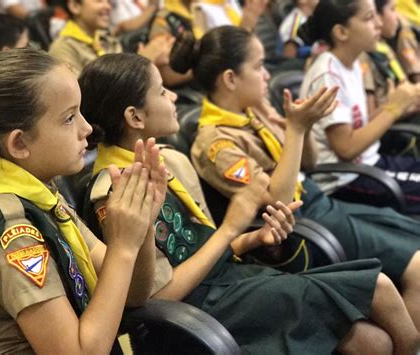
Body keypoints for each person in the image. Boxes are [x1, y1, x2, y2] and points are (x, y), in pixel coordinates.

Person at [78, 52, 419, 354]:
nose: (175, 96)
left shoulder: (170, 160)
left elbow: (203, 247)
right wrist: (231, 229)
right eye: (162, 91)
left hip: (231, 278)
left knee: (375, 341)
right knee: (379, 287)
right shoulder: (115, 192)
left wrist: (252, 239)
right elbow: (155, 298)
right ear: (135, 117)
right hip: (203, 306)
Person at [169, 24, 420, 339]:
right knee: (417, 267)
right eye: (259, 67)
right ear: (231, 79)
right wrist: (296, 130)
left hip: (319, 202)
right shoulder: (214, 142)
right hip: (300, 226)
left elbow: (308, 164)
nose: (266, 75)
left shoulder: (251, 111)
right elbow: (279, 201)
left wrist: (297, 126)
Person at [0, 48, 164, 353]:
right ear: (20, 143)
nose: (87, 129)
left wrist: (141, 224)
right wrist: (124, 246)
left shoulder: (44, 200)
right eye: (69, 118)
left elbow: (135, 292)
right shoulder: (16, 233)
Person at [298, 0, 420, 213]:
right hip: (347, 178)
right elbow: (346, 148)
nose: (378, 24)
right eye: (369, 18)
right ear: (341, 32)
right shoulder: (327, 75)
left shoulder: (353, 63)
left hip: (371, 164)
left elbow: (359, 125)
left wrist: (392, 105)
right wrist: (393, 109)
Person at [49, 0, 174, 75]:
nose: (108, 7)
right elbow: (84, 100)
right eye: (99, 1)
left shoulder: (107, 39)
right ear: (75, 6)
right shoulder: (63, 49)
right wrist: (143, 62)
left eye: (108, 1)